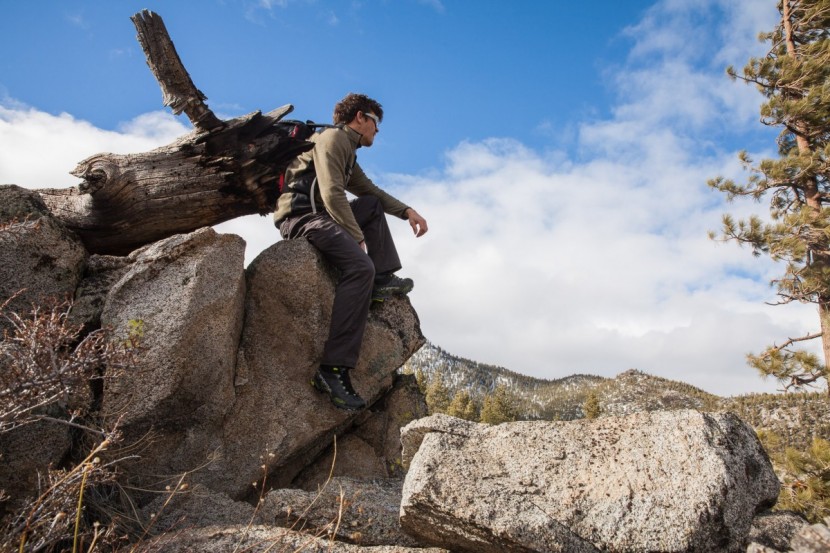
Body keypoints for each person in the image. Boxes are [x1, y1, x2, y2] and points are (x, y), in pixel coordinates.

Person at [274, 93, 428, 411]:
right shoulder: (331, 138)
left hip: (322, 216)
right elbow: (331, 191)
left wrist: (407, 210)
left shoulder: (348, 151)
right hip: (302, 218)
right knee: (360, 267)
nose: (377, 130)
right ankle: (333, 370)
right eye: (375, 122)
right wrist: (356, 237)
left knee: (370, 206)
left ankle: (382, 278)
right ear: (360, 117)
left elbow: (369, 192)